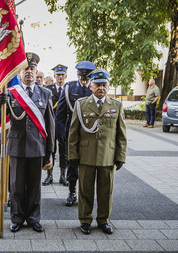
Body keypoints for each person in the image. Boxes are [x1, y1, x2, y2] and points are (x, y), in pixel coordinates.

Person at [0, 52, 55, 233]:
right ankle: (17, 218)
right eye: (25, 69)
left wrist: (50, 150)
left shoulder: (45, 93)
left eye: (32, 69)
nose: (29, 72)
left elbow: (50, 124)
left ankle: (34, 218)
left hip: (37, 147)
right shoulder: (10, 93)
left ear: (36, 72)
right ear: (19, 73)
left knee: (35, 187)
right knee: (16, 186)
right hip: (17, 146)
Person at [68, 68, 127, 235]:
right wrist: (72, 155)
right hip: (86, 155)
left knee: (105, 191)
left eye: (104, 85)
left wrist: (120, 156)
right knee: (85, 190)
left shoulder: (116, 105)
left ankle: (103, 220)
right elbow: (73, 132)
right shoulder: (81, 104)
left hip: (107, 156)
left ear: (108, 87)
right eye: (98, 85)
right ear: (91, 86)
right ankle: (85, 220)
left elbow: (121, 134)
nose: (101, 88)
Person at [55, 61, 95, 206]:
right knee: (72, 162)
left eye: (87, 78)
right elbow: (60, 113)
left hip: (90, 133)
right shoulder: (69, 88)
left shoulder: (94, 88)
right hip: (72, 132)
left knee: (88, 164)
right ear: (78, 75)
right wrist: (59, 133)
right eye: (82, 78)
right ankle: (72, 192)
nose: (84, 81)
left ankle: (85, 194)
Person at [43, 64, 68, 186]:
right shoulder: (48, 90)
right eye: (58, 75)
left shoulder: (68, 90)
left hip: (64, 126)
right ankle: (50, 176)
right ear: (54, 76)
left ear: (66, 76)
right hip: (51, 126)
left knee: (64, 152)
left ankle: (63, 176)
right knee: (51, 150)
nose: (60, 77)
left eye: (62, 75)